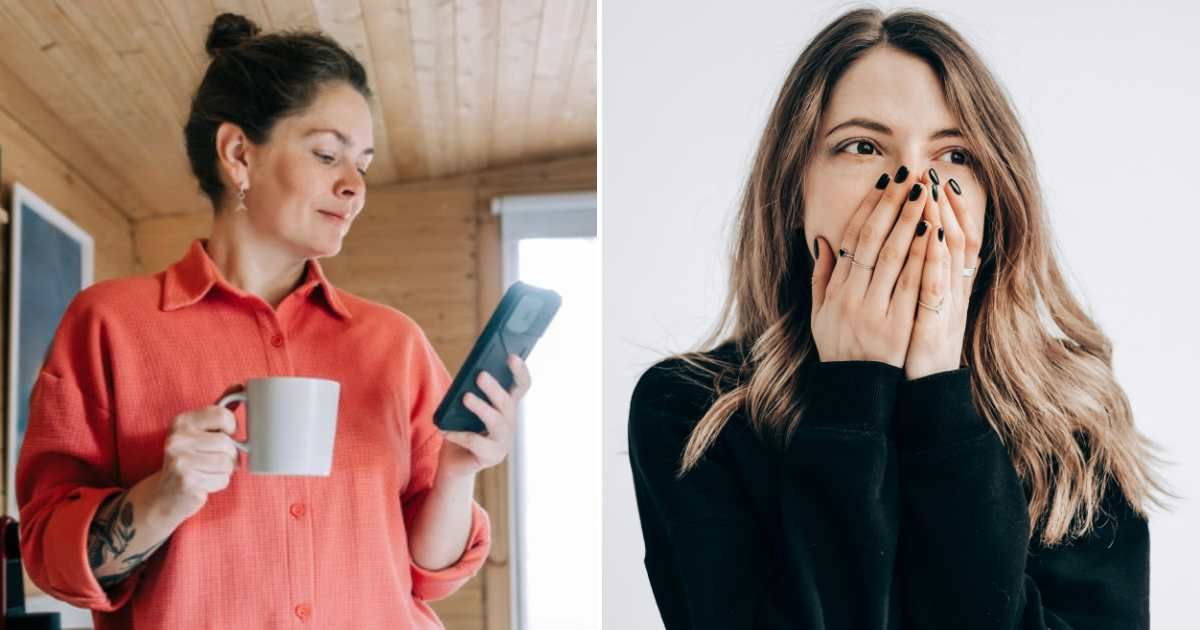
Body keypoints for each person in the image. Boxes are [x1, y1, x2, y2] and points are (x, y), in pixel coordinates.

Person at [628, 8, 1167, 629]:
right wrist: (852, 391)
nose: (914, 184)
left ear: (995, 197)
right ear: (795, 187)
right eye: (863, 146)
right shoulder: (690, 412)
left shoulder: (1073, 419)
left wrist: (939, 389)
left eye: (955, 154)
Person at [16, 13, 528, 629]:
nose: (354, 187)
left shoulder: (396, 344)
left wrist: (457, 471)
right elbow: (50, 560)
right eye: (327, 154)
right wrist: (162, 497)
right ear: (239, 154)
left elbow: (429, 574)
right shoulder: (110, 325)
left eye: (362, 165)